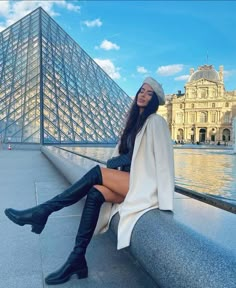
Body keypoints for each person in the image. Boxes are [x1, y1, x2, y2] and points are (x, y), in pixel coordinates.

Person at [4, 77, 175, 285]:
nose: (143, 95)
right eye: (142, 90)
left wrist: (166, 200)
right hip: (129, 182)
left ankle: (43, 211)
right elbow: (126, 154)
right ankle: (77, 259)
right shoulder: (132, 123)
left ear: (154, 101)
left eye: (150, 93)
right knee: (95, 191)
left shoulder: (156, 121)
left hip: (144, 185)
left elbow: (164, 160)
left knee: (97, 173)